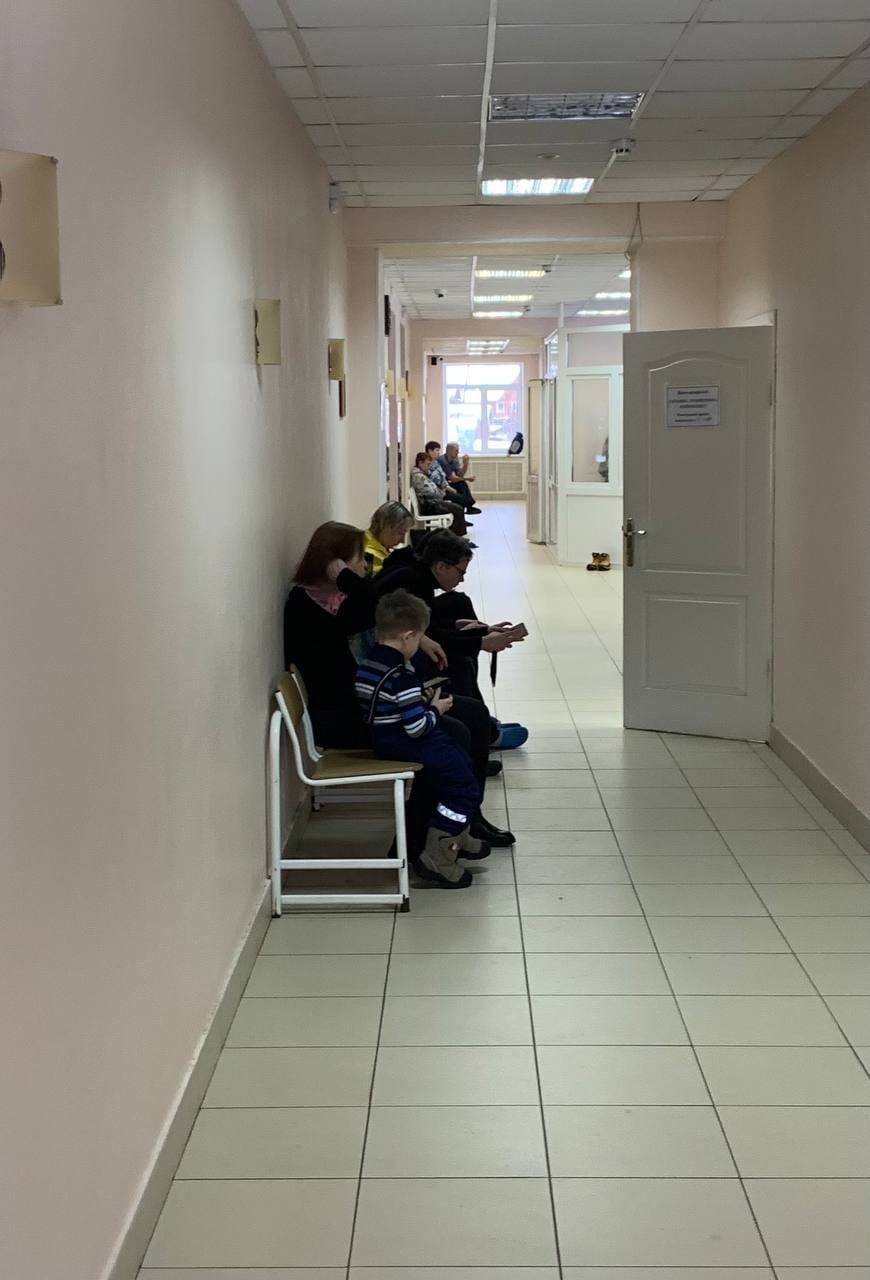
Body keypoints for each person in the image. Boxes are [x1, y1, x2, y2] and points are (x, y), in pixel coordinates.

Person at [284, 522, 514, 854]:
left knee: (473, 714)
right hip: (349, 716)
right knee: (451, 733)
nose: (365, 568)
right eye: (359, 559)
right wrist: (346, 577)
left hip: (370, 703)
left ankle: (465, 819)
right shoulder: (307, 605)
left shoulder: (333, 600)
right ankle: (419, 842)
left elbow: (376, 612)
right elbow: (375, 608)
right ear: (335, 564)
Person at [356, 590, 485, 888]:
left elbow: (386, 705)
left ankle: (456, 833)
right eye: (419, 638)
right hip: (407, 741)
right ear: (408, 637)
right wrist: (436, 709)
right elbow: (416, 727)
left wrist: (419, 702)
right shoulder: (402, 675)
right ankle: (440, 851)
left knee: (460, 763)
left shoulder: (370, 663)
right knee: (464, 788)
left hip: (384, 735)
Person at [376, 529, 530, 760]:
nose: (463, 579)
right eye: (461, 572)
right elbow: (430, 636)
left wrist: (478, 632)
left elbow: (430, 629)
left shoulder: (415, 574)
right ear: (441, 566)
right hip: (398, 657)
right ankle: (480, 733)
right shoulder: (413, 582)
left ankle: (481, 726)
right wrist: (480, 642)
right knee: (456, 661)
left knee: (459, 604)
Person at [409, 451, 468, 536]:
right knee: (457, 509)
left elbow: (434, 488)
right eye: (428, 464)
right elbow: (432, 492)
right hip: (429, 506)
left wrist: (440, 490)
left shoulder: (423, 474)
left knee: (457, 508)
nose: (429, 467)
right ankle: (457, 537)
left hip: (433, 502)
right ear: (420, 463)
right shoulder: (418, 476)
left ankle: (457, 536)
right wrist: (441, 491)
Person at [364, 501, 414, 576]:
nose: (402, 540)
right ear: (386, 527)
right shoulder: (369, 555)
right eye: (401, 533)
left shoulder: (381, 547)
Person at [441, 441, 481, 513]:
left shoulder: (454, 459)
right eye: (456, 450)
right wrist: (468, 478)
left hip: (448, 482)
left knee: (462, 483)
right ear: (449, 450)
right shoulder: (443, 461)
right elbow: (453, 479)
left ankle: (468, 507)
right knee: (461, 484)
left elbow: (460, 475)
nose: (458, 452)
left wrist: (465, 464)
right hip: (442, 485)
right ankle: (467, 506)